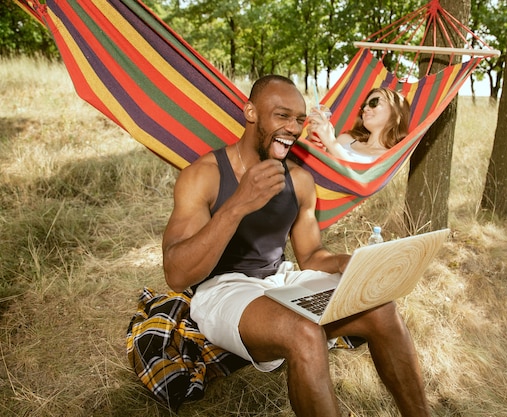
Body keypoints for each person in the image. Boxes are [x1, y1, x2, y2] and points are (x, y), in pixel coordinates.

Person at [161, 74, 430, 417]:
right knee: (304, 331)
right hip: (223, 288)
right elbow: (176, 274)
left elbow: (311, 255)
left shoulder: (300, 180)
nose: (293, 127)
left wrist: (346, 262)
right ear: (251, 112)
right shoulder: (204, 175)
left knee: (382, 309)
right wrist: (239, 203)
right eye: (282, 116)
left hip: (281, 278)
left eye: (300, 120)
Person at [308, 87, 410, 162]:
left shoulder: (390, 157)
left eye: (374, 103)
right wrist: (316, 144)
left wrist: (330, 142)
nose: (365, 109)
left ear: (396, 112)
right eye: (363, 106)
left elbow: (359, 178)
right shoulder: (345, 139)